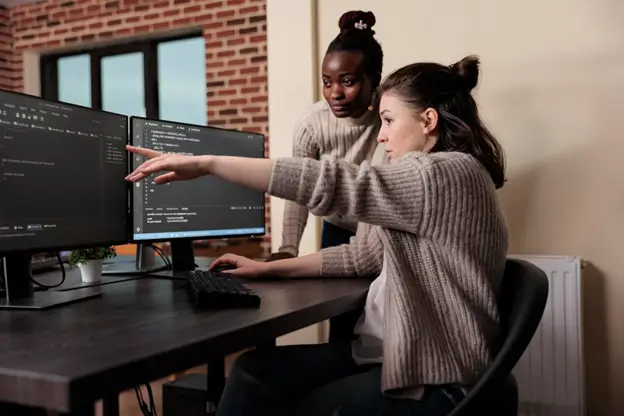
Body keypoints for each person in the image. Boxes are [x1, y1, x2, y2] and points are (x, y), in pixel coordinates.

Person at [126, 55, 509, 415]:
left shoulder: (448, 175)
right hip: (389, 355)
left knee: (301, 405)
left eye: (389, 121)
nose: (381, 137)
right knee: (252, 371)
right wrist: (266, 269)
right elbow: (363, 256)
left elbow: (331, 181)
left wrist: (208, 164)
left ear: (427, 121)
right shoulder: (427, 181)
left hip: (436, 376)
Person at [267, 10, 384, 263]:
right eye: (327, 82)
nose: (335, 93)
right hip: (337, 229)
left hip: (382, 229)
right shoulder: (312, 123)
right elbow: (298, 187)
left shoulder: (391, 113)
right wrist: (288, 249)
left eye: (348, 81)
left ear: (374, 80)